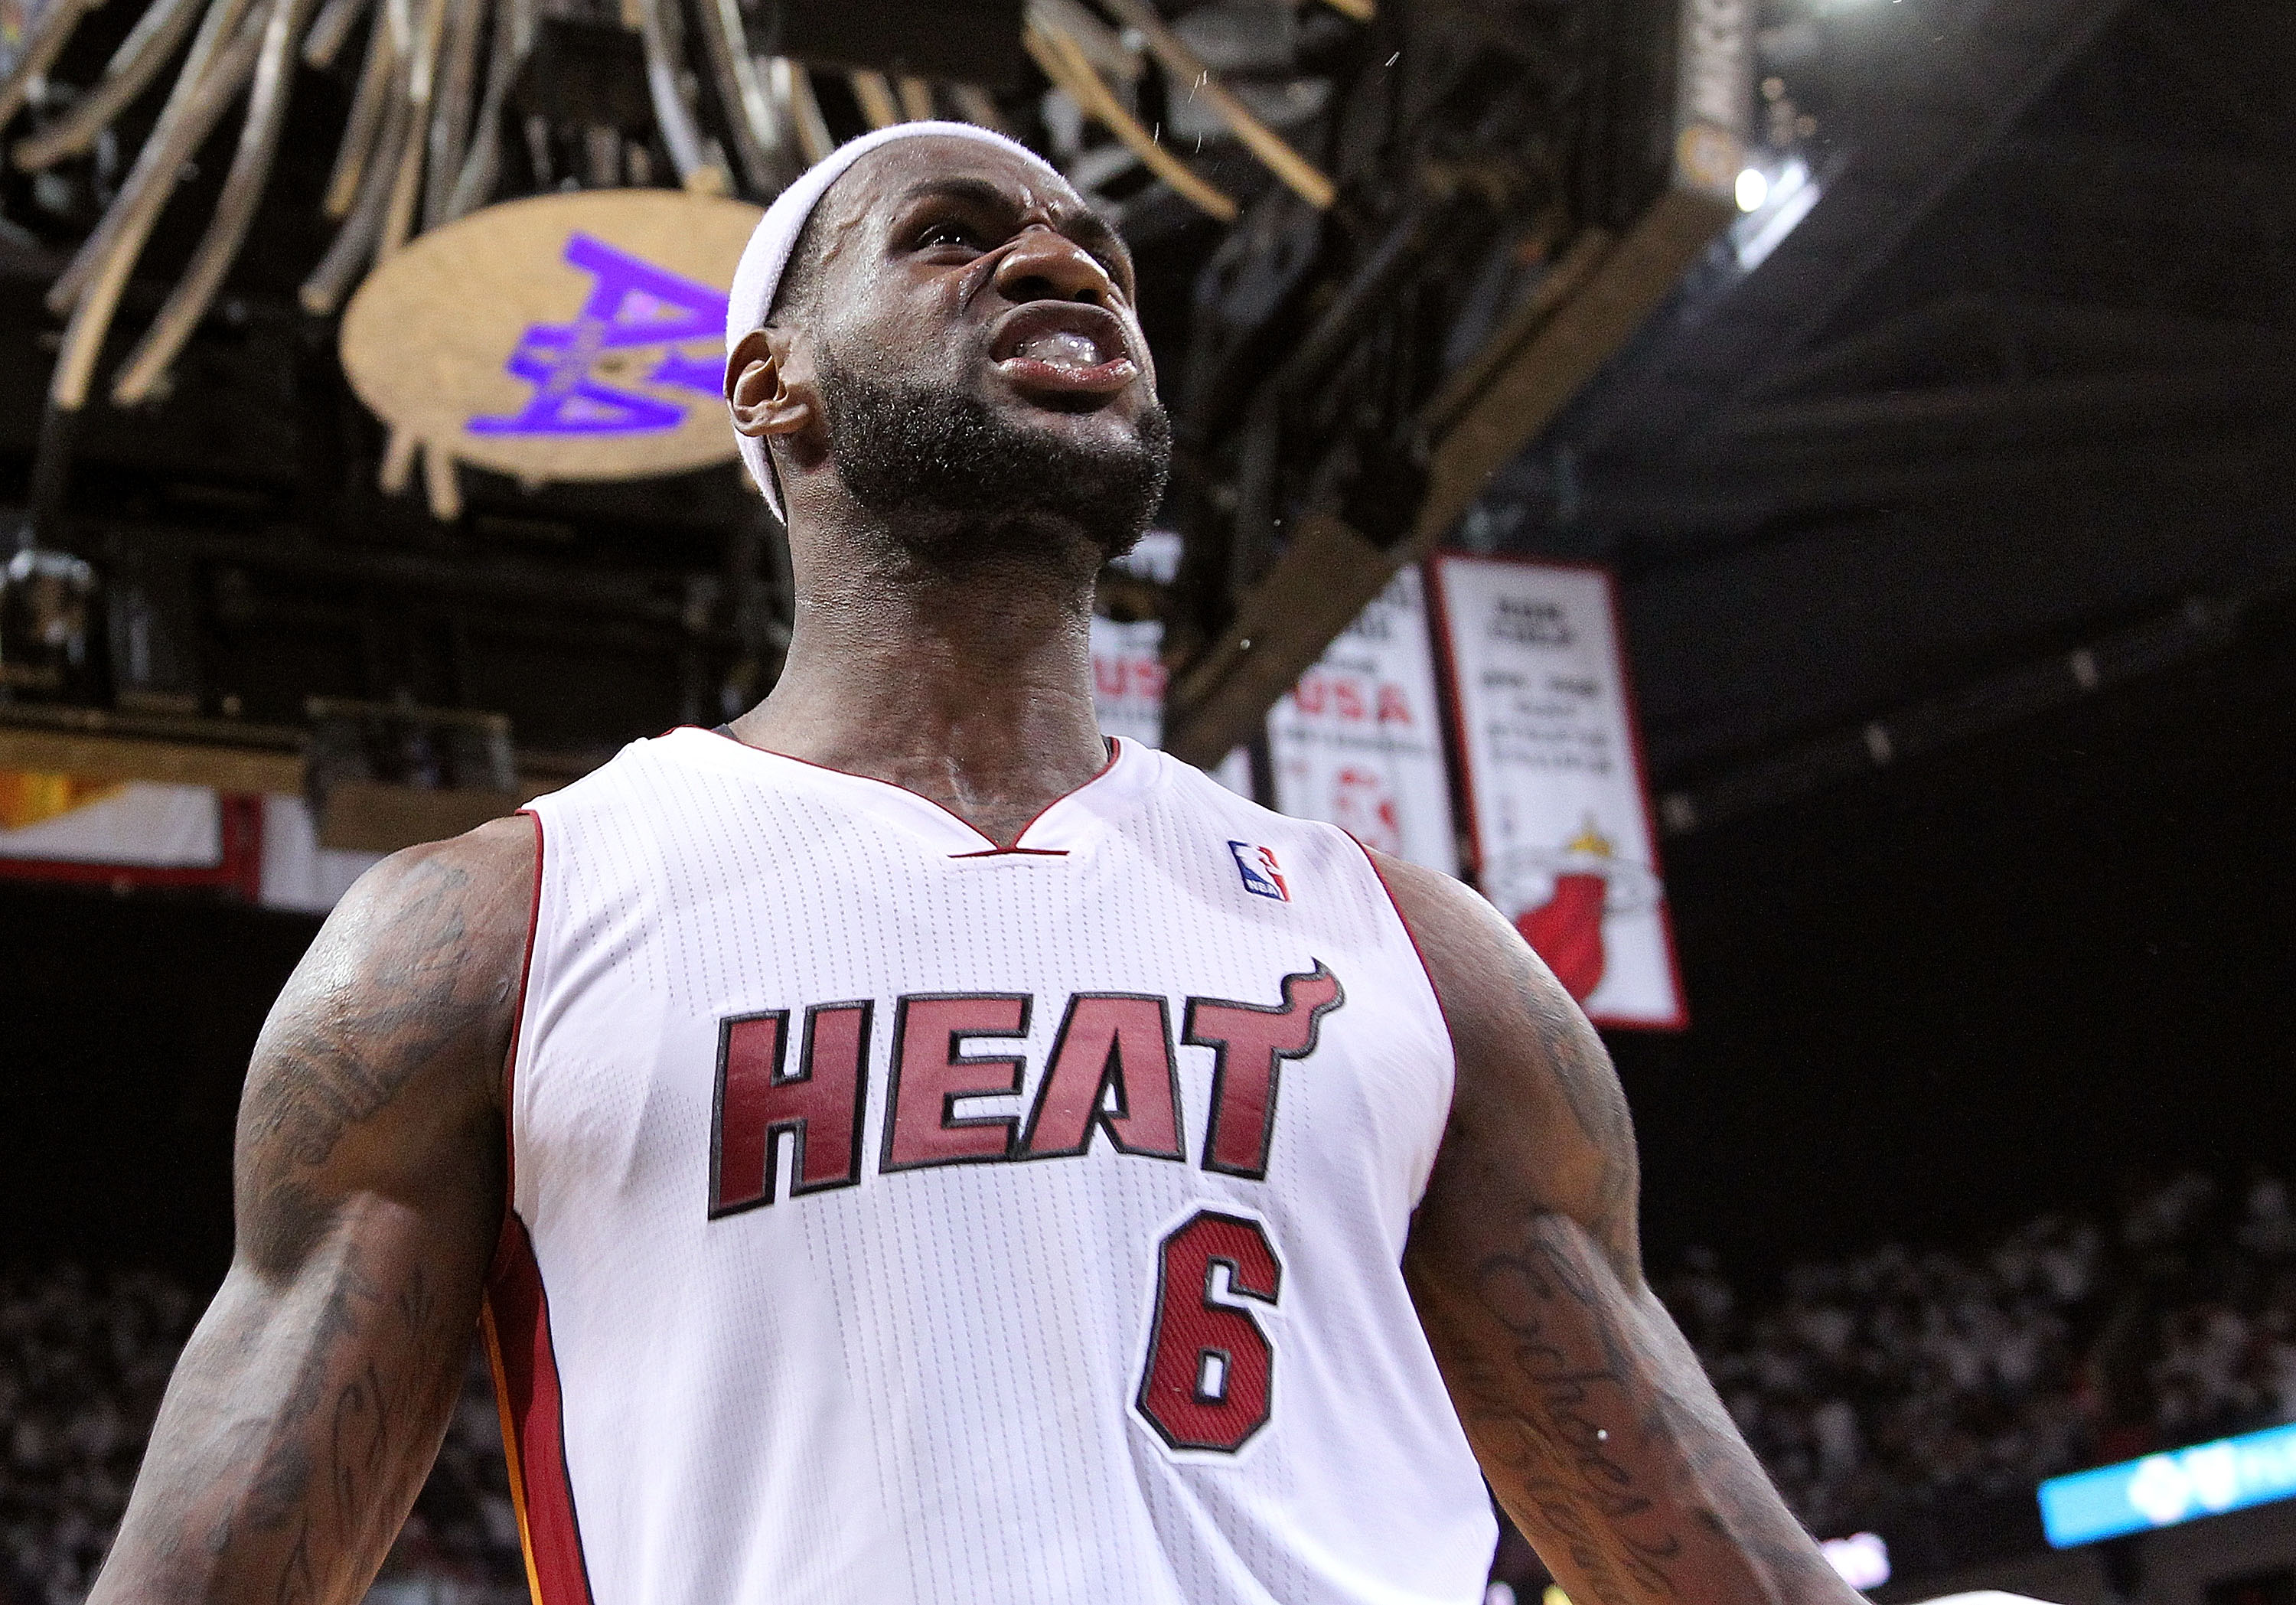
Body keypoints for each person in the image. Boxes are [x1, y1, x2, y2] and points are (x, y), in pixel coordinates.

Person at [89, 123, 1866, 1605]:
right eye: (949, 234)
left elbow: (1701, 1553)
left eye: (1098, 245)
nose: (1063, 259)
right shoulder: (495, 925)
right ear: (771, 387)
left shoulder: (1413, 943)